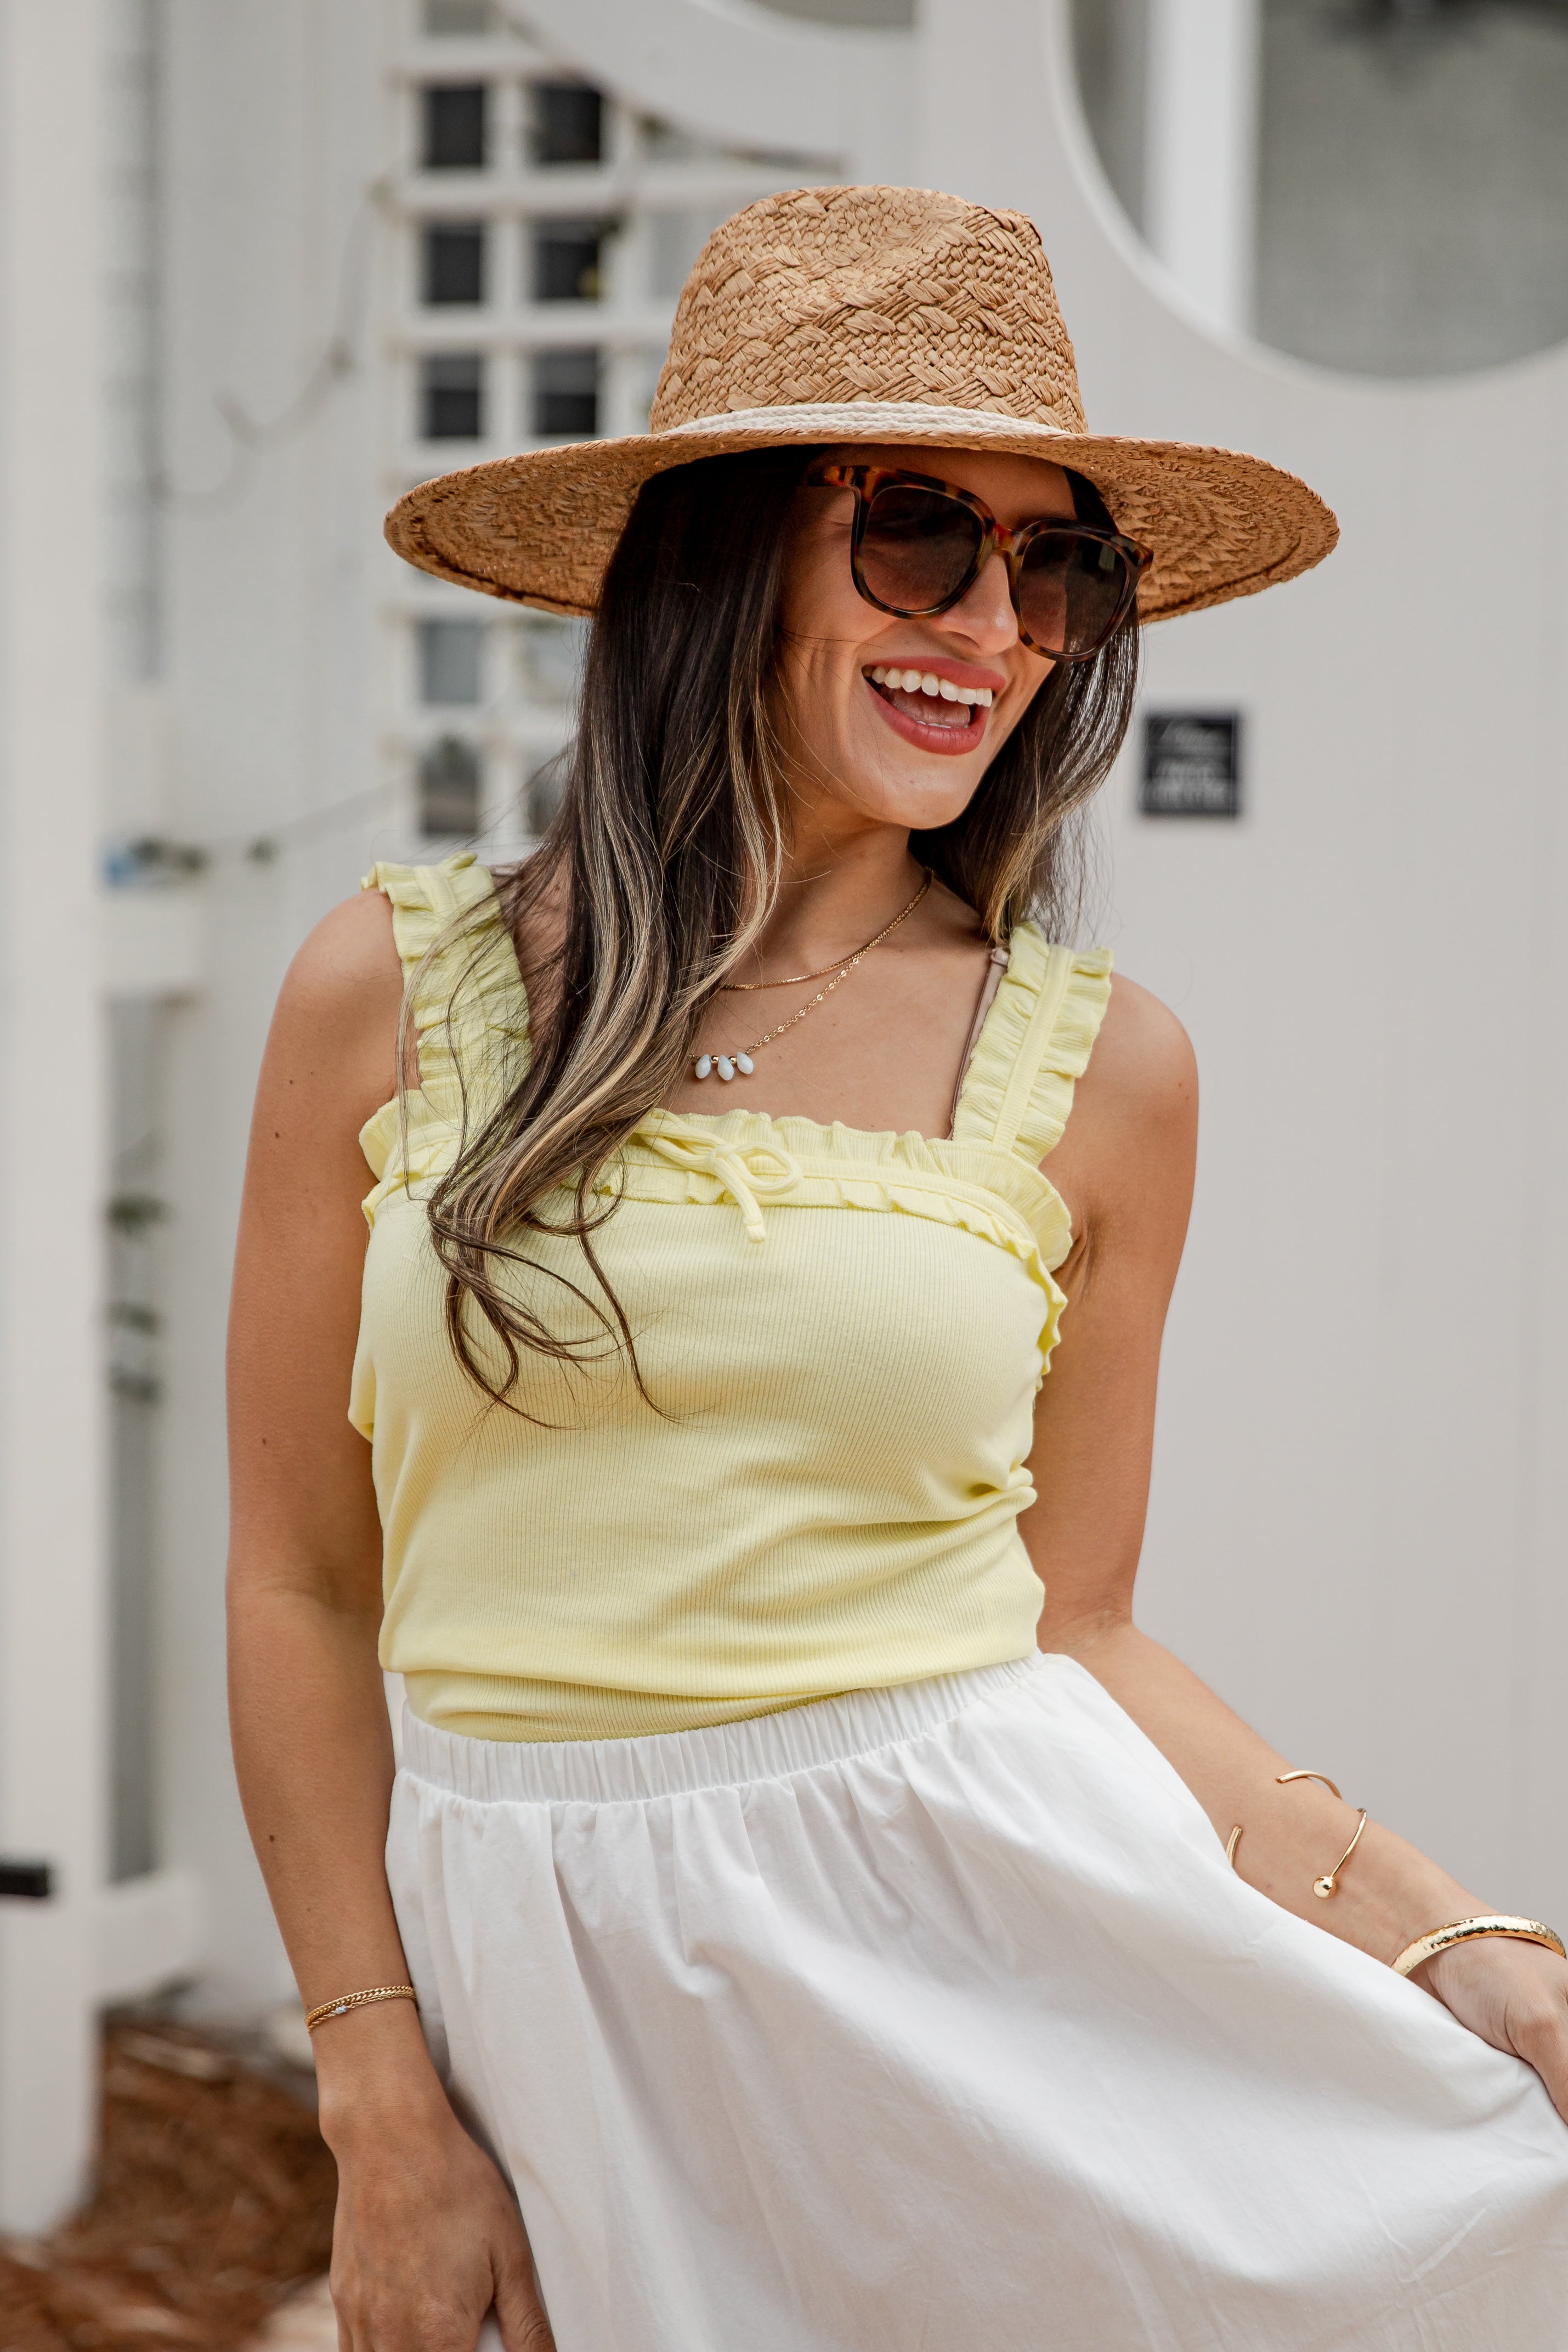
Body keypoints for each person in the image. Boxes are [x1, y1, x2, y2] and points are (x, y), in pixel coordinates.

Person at [227, 186, 1568, 2352]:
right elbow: (298, 1578)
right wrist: (376, 2096)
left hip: (978, 1955)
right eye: (922, 530)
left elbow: (1078, 1626)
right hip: (540, 1971)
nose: (1004, 621)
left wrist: (1457, 1941)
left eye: (1062, 566)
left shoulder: (1100, 1067)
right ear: (724, 555)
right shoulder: (391, 991)